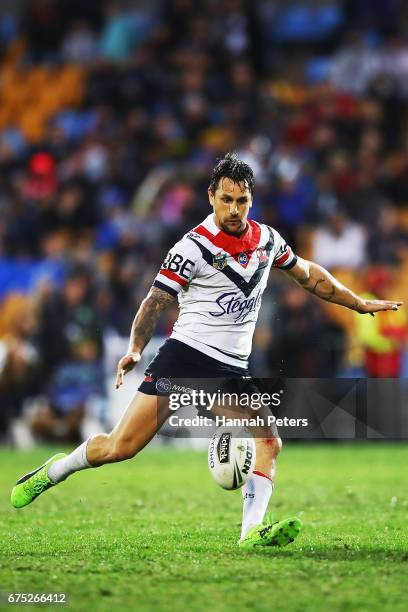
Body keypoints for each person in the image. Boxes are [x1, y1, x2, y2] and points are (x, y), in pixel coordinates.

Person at [10, 153, 403, 549]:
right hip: (186, 358)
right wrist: (134, 348)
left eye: (242, 201)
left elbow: (307, 275)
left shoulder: (267, 239)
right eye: (227, 199)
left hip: (232, 367)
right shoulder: (193, 247)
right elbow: (155, 301)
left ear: (251, 199)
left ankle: (251, 532)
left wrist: (358, 303)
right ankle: (54, 470)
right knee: (119, 447)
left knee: (269, 440)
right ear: (211, 196)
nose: (234, 209)